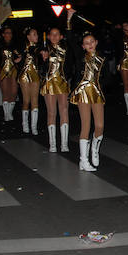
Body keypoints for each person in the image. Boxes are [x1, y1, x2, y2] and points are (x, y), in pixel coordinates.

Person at [70, 31, 106, 171]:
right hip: (82, 92)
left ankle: (95, 150)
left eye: (92, 41)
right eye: (86, 43)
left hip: (96, 93)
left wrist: (101, 86)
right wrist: (68, 21)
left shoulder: (102, 58)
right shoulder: (80, 57)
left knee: (100, 126)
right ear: (83, 46)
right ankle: (83, 161)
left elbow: (107, 76)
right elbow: (71, 40)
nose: (90, 44)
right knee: (86, 125)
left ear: (96, 42)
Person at [40, 12, 75, 153]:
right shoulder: (43, 50)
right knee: (51, 112)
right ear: (48, 37)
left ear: (61, 36)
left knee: (64, 110)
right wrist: (44, 59)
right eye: (52, 34)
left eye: (57, 34)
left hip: (63, 83)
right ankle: (53, 144)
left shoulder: (66, 48)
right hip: (49, 83)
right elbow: (40, 69)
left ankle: (64, 143)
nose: (54, 36)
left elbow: (71, 65)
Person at [17, 27, 41, 135]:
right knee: (26, 100)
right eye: (34, 34)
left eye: (36, 34)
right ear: (28, 37)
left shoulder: (39, 48)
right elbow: (17, 59)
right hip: (25, 75)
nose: (36, 36)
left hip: (35, 75)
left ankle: (34, 126)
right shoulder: (23, 47)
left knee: (35, 100)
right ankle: (25, 124)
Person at [0, 25, 20, 123]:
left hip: (14, 70)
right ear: (3, 34)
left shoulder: (15, 45)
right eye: (6, 33)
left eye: (10, 33)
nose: (8, 35)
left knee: (14, 92)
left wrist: (19, 58)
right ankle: (6, 114)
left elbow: (20, 55)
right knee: (5, 92)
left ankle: (10, 112)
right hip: (3, 70)